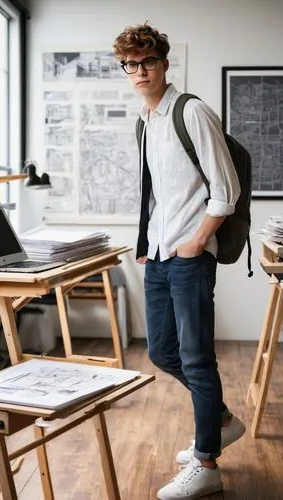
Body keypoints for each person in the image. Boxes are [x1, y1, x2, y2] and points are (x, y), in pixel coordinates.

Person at [113, 23, 246, 500]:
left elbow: (225, 190)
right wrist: (149, 243)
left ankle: (207, 463)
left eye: (148, 61)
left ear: (165, 63)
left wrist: (195, 243)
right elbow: (158, 197)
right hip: (159, 255)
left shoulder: (191, 112)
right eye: (131, 64)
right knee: (161, 351)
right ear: (125, 70)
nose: (140, 71)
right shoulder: (143, 122)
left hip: (190, 256)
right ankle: (223, 420)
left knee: (196, 357)